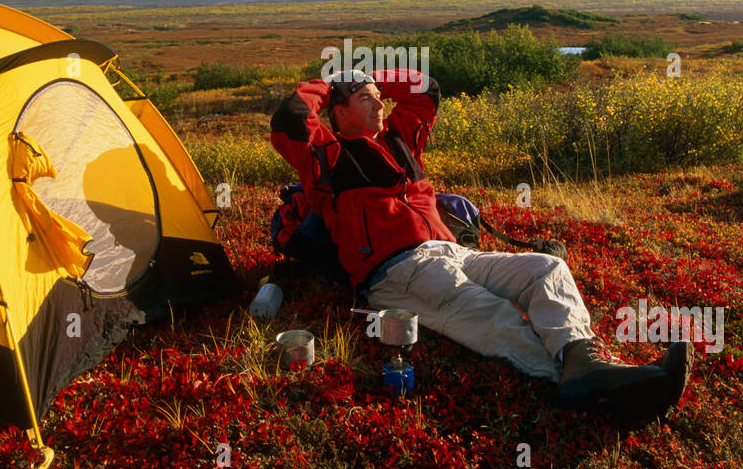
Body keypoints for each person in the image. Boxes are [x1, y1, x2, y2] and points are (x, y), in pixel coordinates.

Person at [269, 67, 692, 419]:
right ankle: (591, 384)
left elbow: (424, 88)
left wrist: (367, 77)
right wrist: (331, 82)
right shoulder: (325, 157)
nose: (381, 104)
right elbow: (290, 115)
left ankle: (585, 361)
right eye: (366, 99)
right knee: (493, 313)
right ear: (338, 112)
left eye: (380, 97)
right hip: (396, 273)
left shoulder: (399, 138)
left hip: (454, 252)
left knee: (546, 269)